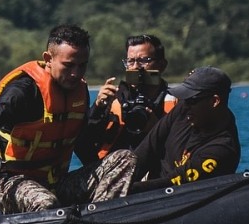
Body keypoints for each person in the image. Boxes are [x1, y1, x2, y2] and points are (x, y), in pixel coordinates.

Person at [0, 24, 136, 213]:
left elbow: (80, 144)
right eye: (68, 65)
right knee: (46, 203)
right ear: (48, 59)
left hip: (57, 183)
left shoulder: (78, 91)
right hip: (14, 185)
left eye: (82, 65)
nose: (76, 73)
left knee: (124, 159)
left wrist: (100, 175)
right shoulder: (23, 91)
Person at [132, 67, 240, 192]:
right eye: (185, 99)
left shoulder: (222, 149)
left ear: (214, 101)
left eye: (192, 100)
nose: (185, 105)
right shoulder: (184, 109)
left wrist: (126, 192)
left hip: (175, 198)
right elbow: (147, 149)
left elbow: (171, 182)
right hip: (149, 183)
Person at [76, 34, 177, 165]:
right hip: (113, 175)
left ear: (162, 65)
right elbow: (82, 146)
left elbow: (182, 150)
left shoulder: (176, 103)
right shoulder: (114, 100)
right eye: (130, 61)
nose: (135, 67)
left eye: (144, 60)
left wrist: (156, 130)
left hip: (156, 173)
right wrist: (98, 108)